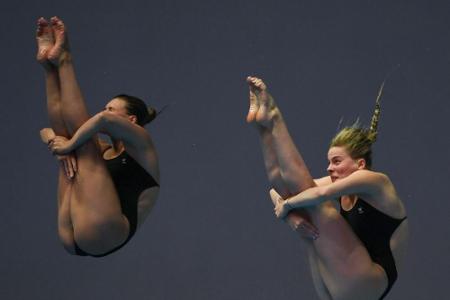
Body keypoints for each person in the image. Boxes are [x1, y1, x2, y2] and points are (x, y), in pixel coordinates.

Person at [246, 76, 408, 300]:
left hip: (370, 282)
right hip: (342, 281)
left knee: (318, 207)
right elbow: (278, 192)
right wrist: (290, 217)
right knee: (297, 197)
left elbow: (319, 194)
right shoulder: (343, 184)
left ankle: (274, 116)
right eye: (330, 162)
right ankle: (263, 129)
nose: (329, 168)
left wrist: (287, 208)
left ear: (360, 164)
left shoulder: (377, 182)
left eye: (337, 162)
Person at [37, 16, 160, 257]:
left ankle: (64, 59)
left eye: (112, 109)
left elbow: (102, 121)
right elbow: (46, 132)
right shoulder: (102, 147)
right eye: (106, 108)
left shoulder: (143, 145)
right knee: (73, 142)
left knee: (80, 144)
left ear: (131, 121)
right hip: (73, 233)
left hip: (105, 232)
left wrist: (69, 144)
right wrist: (58, 142)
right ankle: (48, 66)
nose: (104, 112)